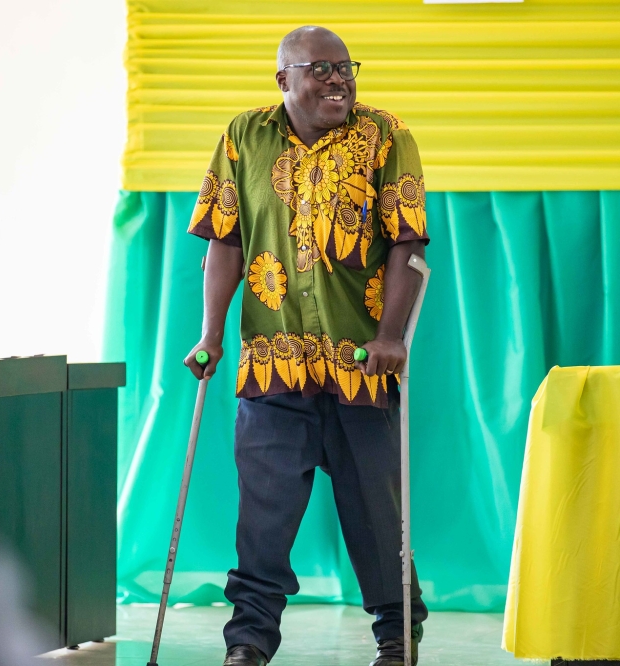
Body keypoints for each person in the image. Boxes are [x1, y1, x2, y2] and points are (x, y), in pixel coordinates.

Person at [184, 25, 430, 666]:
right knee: (262, 523)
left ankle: (398, 636)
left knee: (378, 518)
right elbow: (225, 241)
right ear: (283, 80)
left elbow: (408, 245)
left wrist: (391, 338)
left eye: (345, 67)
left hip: (359, 366)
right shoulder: (244, 136)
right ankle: (248, 644)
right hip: (273, 366)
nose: (338, 79)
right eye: (319, 69)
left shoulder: (386, 135)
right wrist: (211, 335)